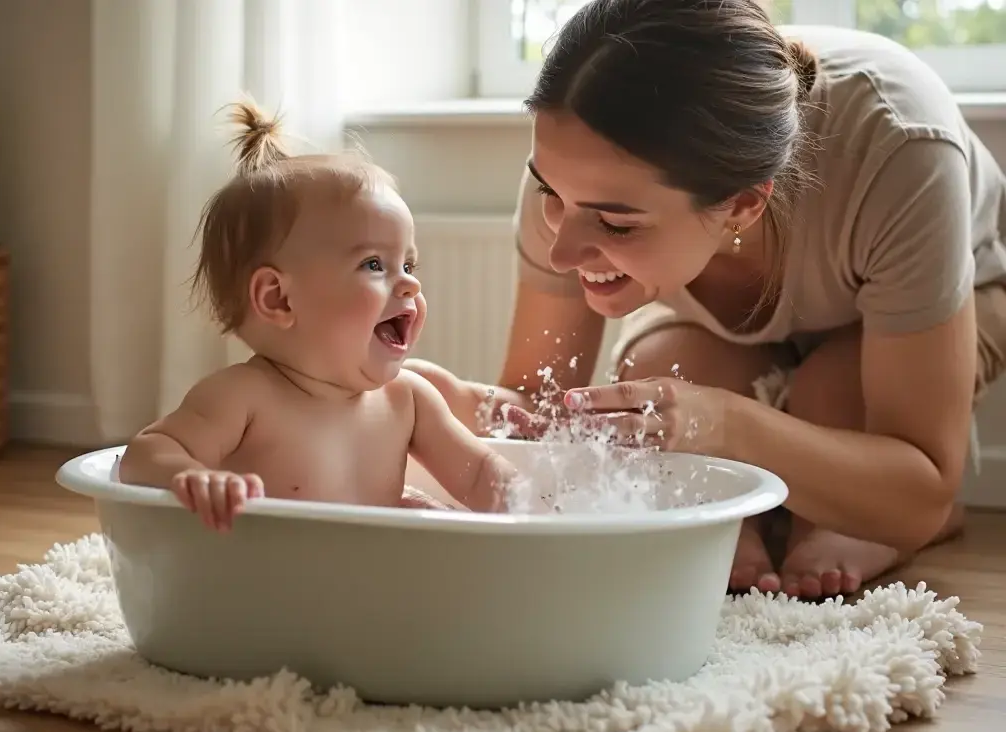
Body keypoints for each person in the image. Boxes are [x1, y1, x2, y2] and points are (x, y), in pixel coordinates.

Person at [406, 0, 1006, 600]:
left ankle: (828, 516)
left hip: (969, 291)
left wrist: (729, 425)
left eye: (616, 224)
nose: (561, 253)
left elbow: (921, 482)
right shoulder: (579, 173)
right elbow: (544, 409)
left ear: (744, 204)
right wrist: (451, 404)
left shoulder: (901, 152)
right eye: (549, 193)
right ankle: (767, 511)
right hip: (747, 321)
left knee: (830, 392)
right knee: (652, 379)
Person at [119, 101, 522, 529]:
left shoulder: (409, 400)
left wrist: (534, 504)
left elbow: (479, 472)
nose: (410, 284)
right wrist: (194, 477)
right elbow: (144, 454)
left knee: (428, 516)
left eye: (409, 265)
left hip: (368, 583)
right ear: (278, 299)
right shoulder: (243, 397)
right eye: (373, 265)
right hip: (280, 580)